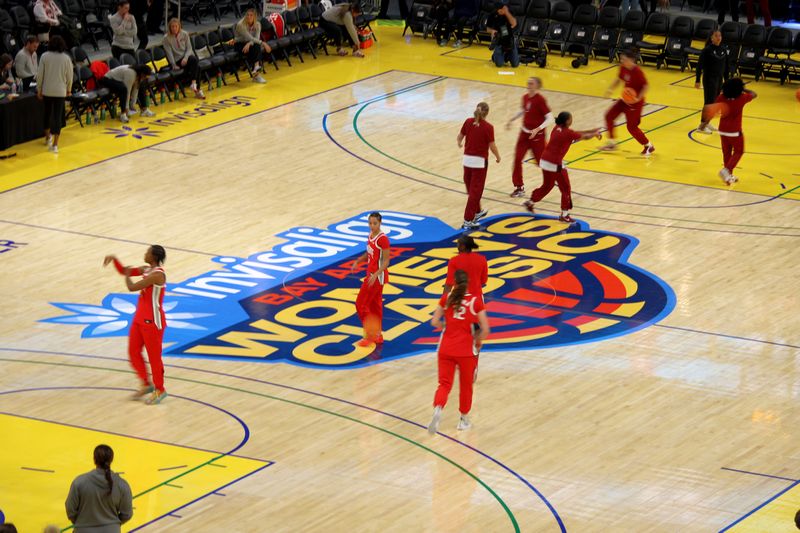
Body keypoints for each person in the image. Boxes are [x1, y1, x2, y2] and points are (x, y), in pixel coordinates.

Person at [103, 245, 168, 405]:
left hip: (153, 322)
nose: (145, 254)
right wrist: (115, 260)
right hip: (139, 318)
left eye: (148, 252)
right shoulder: (146, 269)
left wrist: (127, 275)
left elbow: (132, 287)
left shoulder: (158, 275)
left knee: (154, 358)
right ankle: (146, 383)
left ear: (154, 257)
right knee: (133, 352)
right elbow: (124, 271)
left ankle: (160, 390)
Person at [428, 269, 490, 434]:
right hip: (466, 351)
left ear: (453, 283)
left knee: (444, 384)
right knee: (466, 386)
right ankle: (463, 420)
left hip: (446, 348)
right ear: (468, 283)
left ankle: (438, 408)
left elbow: (434, 321)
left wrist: (445, 327)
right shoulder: (475, 301)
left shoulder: (446, 298)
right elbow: (485, 329)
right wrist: (477, 340)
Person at [523, 111, 602, 224]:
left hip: (544, 160)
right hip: (554, 164)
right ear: (567, 121)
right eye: (571, 118)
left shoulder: (557, 128)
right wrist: (594, 134)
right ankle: (564, 215)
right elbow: (584, 137)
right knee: (565, 188)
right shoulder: (567, 133)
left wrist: (592, 130)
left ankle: (530, 202)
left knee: (547, 185)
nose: (572, 120)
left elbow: (576, 133)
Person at [65, 444, 133, 532]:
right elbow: (127, 514)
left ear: (94, 459)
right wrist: (113, 524)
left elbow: (70, 510)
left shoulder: (79, 482)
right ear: (111, 460)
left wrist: (82, 523)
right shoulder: (122, 485)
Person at [600, 48, 655, 156]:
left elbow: (646, 86)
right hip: (625, 99)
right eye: (621, 59)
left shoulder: (637, 71)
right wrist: (610, 89)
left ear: (631, 60)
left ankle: (648, 145)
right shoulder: (623, 67)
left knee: (631, 127)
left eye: (624, 59)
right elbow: (618, 79)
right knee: (609, 116)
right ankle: (612, 143)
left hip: (635, 103)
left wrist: (638, 98)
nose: (622, 61)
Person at [506, 76, 553, 198]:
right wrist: (512, 119)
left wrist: (538, 129)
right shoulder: (525, 97)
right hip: (524, 134)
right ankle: (519, 187)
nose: (528, 85)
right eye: (528, 83)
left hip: (537, 136)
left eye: (531, 83)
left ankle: (554, 177)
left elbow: (550, 118)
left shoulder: (540, 100)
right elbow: (523, 110)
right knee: (517, 159)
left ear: (537, 86)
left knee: (541, 162)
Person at [458, 102, 500, 230]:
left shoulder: (468, 122)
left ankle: (477, 212)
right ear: (487, 113)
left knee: (470, 189)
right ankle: (468, 220)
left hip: (466, 160)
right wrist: (498, 156)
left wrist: (460, 143)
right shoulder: (488, 127)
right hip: (479, 163)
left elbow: (460, 137)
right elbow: (492, 146)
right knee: (475, 192)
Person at [351, 212, 390, 347]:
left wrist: (376, 274)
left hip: (377, 277)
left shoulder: (382, 239)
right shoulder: (370, 235)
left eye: (375, 223)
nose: (372, 226)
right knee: (375, 306)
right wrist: (359, 260)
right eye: (370, 223)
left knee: (360, 304)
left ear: (380, 223)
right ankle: (378, 335)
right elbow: (369, 253)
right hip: (372, 275)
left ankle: (369, 335)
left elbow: (386, 261)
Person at [713, 77, 756, 185]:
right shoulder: (742, 97)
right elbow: (754, 94)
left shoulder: (721, 97)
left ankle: (728, 177)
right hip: (734, 130)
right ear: (739, 88)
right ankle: (726, 170)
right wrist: (743, 89)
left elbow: (714, 109)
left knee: (726, 152)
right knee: (739, 151)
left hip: (722, 129)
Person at [36, 35, 72, 155]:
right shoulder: (66, 58)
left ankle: (47, 138)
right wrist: (69, 89)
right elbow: (70, 76)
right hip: (60, 91)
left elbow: (40, 75)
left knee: (47, 114)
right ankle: (55, 145)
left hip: (47, 90)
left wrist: (39, 89)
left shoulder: (44, 56)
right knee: (57, 117)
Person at [695, 30, 730, 134]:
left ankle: (707, 122)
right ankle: (701, 126)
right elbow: (699, 66)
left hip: (719, 79)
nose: (719, 38)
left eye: (720, 36)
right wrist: (697, 80)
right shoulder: (707, 50)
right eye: (716, 36)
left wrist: (726, 81)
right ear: (711, 38)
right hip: (709, 79)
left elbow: (726, 67)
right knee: (709, 102)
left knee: (715, 102)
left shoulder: (724, 50)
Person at [163, 18, 205, 99]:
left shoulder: (184, 34)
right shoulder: (166, 38)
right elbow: (169, 53)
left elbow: (189, 48)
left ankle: (194, 84)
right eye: (172, 27)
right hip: (177, 60)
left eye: (176, 26)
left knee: (195, 61)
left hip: (187, 58)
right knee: (196, 65)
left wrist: (185, 58)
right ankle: (197, 89)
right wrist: (173, 64)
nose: (174, 28)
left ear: (179, 26)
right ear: (170, 27)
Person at [443, 234, 487, 301]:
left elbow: (449, 284)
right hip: (477, 298)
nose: (457, 247)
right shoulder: (482, 259)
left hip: (459, 298)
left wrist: (443, 301)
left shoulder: (454, 261)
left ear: (463, 246)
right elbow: (483, 280)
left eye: (458, 244)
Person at [233, 8, 271, 82]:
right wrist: (263, 43)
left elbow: (256, 38)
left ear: (255, 17)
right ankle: (256, 74)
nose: (248, 17)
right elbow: (249, 37)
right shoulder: (241, 25)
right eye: (247, 15)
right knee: (257, 47)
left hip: (250, 43)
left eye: (251, 15)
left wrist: (249, 43)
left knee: (256, 46)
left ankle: (256, 69)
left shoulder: (258, 24)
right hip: (239, 44)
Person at [486, 0, 518, 68]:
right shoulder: (492, 15)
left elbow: (514, 24)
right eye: (503, 8)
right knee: (499, 64)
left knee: (515, 64)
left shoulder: (510, 11)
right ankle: (495, 55)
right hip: (499, 40)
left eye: (505, 7)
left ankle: (508, 55)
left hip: (509, 40)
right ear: (498, 9)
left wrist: (507, 13)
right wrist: (492, 31)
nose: (504, 9)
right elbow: (488, 29)